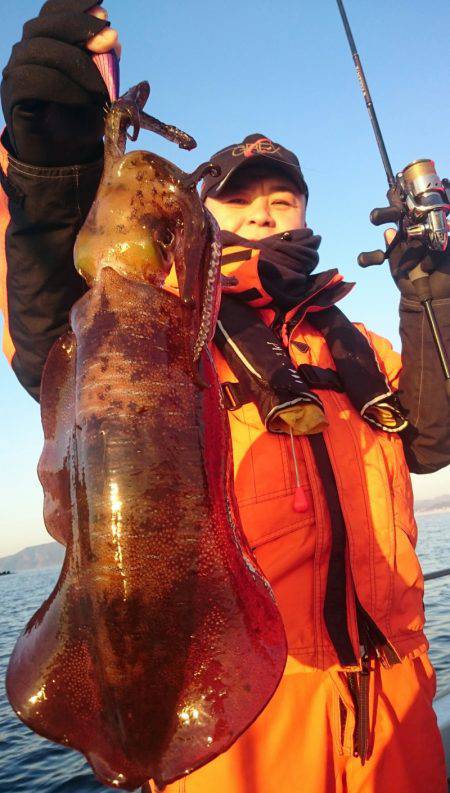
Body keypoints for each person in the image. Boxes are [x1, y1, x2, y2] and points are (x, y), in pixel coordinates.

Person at [1, 2, 449, 792]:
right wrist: (49, 167)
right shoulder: (172, 330)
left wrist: (430, 296)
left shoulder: (358, 348)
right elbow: (48, 340)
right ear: (200, 221)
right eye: (242, 200)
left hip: (395, 706)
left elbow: (433, 442)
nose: (266, 212)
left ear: (308, 213)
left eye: (284, 199)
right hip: (245, 717)